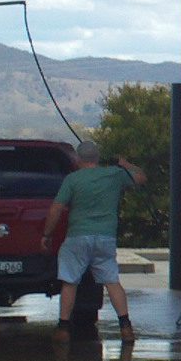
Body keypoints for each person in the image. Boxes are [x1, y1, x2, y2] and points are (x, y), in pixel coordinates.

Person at [44, 141, 146, 343]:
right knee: (112, 281)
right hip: (105, 237)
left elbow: (56, 208)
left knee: (70, 282)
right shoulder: (115, 175)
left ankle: (63, 329)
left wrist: (47, 234)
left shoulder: (72, 179)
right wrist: (125, 164)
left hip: (77, 237)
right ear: (97, 157)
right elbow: (141, 178)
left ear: (78, 159)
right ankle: (125, 327)